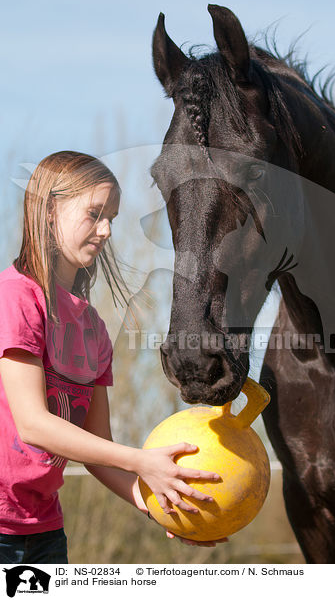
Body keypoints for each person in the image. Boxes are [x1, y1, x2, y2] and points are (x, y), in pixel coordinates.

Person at [0, 150, 225, 564]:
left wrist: (163, 506)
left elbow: (98, 448)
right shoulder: (15, 297)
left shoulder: (94, 330)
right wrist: (142, 460)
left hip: (46, 531)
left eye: (113, 218)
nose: (105, 230)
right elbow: (33, 424)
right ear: (50, 213)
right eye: (94, 213)